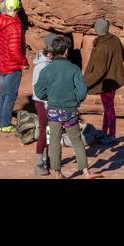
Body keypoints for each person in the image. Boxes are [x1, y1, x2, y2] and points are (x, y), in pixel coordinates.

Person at [34, 35, 96, 178]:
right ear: (66, 51)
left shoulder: (46, 70)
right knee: (76, 140)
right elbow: (81, 91)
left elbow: (39, 92)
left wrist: (48, 97)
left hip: (53, 111)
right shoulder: (73, 69)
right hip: (70, 111)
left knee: (54, 141)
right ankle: (86, 172)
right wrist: (77, 101)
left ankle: (57, 172)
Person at [82, 18, 124, 142]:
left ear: (97, 29)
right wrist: (114, 67)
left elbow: (98, 72)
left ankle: (111, 135)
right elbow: (123, 55)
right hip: (114, 78)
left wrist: (84, 83)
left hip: (107, 82)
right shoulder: (115, 39)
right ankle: (105, 131)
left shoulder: (102, 47)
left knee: (109, 108)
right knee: (108, 107)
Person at [0, 0, 28, 133]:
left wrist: (3, 46)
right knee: (10, 96)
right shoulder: (15, 25)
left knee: (3, 94)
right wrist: (23, 62)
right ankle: (5, 124)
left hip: (2, 62)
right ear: (17, 8)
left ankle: (1, 122)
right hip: (13, 66)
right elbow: (15, 49)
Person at [30, 32, 58, 176]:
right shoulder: (42, 66)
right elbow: (39, 88)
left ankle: (46, 158)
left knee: (48, 131)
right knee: (44, 131)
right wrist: (47, 103)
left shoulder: (49, 62)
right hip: (42, 102)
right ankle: (38, 163)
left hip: (48, 102)